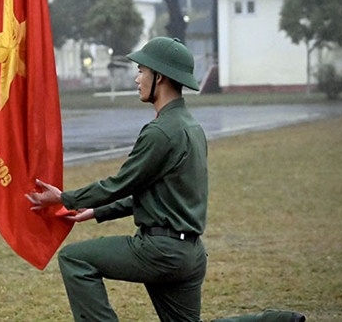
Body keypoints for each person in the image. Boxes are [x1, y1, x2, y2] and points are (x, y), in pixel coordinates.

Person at [27, 36, 208, 322]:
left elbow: (121, 184)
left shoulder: (160, 132)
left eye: (141, 71)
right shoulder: (192, 127)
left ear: (159, 77)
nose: (137, 79)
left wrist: (64, 198)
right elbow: (151, 194)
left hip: (161, 253)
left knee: (75, 259)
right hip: (191, 254)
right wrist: (96, 212)